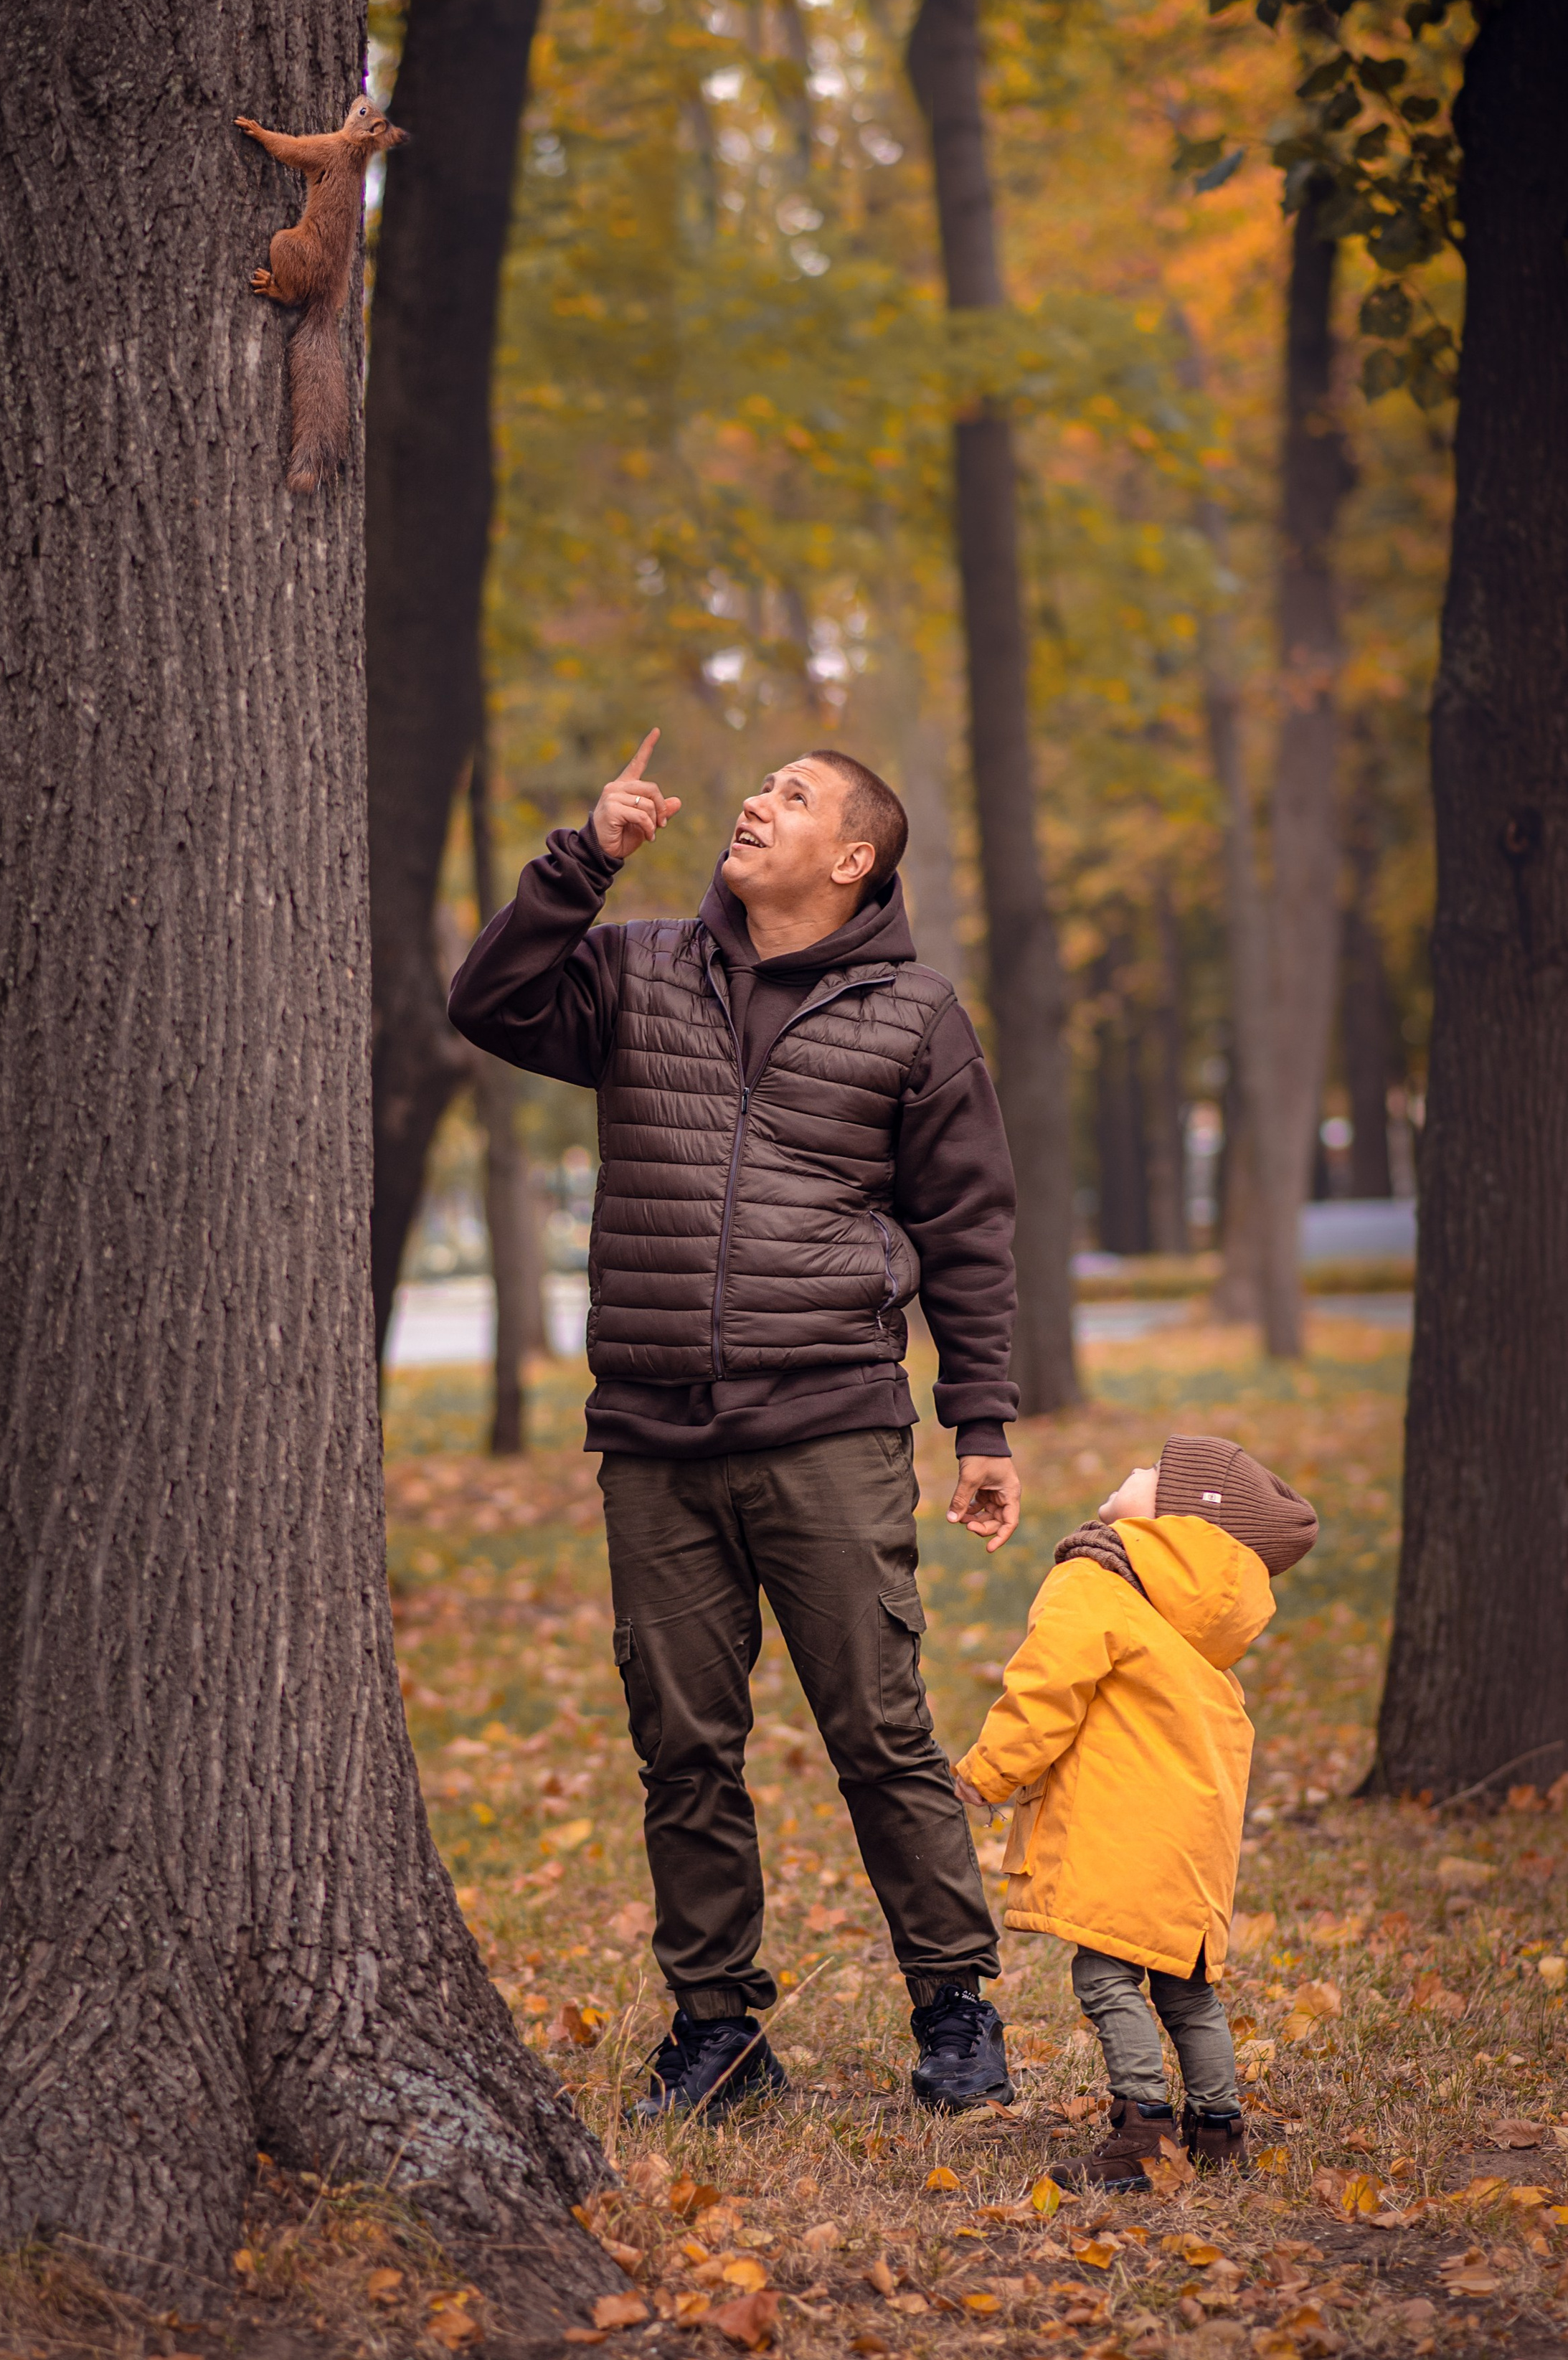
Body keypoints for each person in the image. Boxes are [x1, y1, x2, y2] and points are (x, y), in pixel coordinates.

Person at [448, 733, 1021, 2120]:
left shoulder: (916, 1013)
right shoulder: (639, 967)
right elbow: (490, 1001)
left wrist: (982, 1416)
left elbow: (968, 1227)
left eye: (796, 795)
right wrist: (583, 857)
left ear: (853, 857)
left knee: (877, 1727)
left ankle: (956, 2007)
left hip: (827, 1420)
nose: (758, 801)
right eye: (760, 785)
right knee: (683, 1745)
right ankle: (719, 2026)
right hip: (653, 1433)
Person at [952, 1433, 1318, 2189]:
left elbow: (1046, 1691)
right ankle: (1217, 2127)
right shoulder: (1197, 1624)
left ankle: (1142, 2129)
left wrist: (986, 1775)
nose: (1136, 1469)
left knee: (1104, 1976)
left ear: (1181, 1519)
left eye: (1155, 1472)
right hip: (1189, 1844)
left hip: (1116, 1832)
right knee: (1184, 1988)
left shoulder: (1096, 1583)